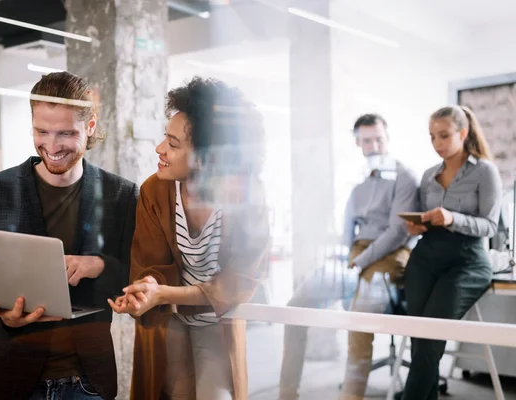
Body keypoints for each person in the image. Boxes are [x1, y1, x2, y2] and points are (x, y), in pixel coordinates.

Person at [0, 71, 138, 400]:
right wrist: (0, 316)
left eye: (66, 133)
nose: (52, 145)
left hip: (88, 379)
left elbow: (134, 276)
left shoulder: (122, 195)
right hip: (12, 375)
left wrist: (101, 266)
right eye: (41, 131)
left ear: (89, 127)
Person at [109, 77, 271, 400]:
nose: (160, 149)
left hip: (218, 319)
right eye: (164, 139)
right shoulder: (153, 191)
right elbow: (149, 264)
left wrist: (161, 292)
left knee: (217, 395)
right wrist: (145, 290)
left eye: (173, 143)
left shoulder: (246, 198)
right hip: (171, 318)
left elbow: (240, 281)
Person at [278, 114, 419, 400]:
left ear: (387, 138)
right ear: (358, 143)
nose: (375, 145)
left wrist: (360, 261)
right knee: (295, 306)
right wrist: (341, 262)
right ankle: (287, 392)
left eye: (379, 138)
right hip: (356, 256)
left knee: (359, 316)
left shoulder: (404, 177)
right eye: (367, 140)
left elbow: (398, 232)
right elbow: (346, 232)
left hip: (391, 254)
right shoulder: (358, 182)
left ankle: (351, 396)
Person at [400, 105, 502, 400]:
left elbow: (490, 226)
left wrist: (452, 218)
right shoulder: (429, 175)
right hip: (425, 259)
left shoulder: (485, 171)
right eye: (432, 137)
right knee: (420, 339)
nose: (437, 144)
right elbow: (426, 218)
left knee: (429, 340)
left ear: (463, 133)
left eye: (443, 136)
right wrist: (417, 226)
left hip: (467, 263)